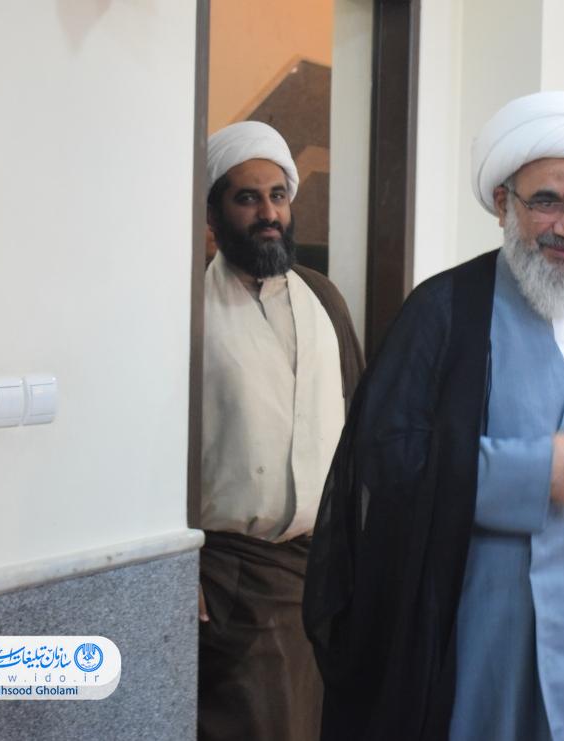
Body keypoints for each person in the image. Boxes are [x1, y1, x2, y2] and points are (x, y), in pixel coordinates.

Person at [303, 91, 564, 741]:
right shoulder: (445, 311)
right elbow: (387, 455)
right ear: (502, 203)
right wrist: (531, 473)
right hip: (497, 631)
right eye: (546, 201)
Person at [198, 120, 363, 741]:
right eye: (247, 198)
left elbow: (359, 427)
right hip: (231, 573)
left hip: (319, 567)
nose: (268, 214)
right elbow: (153, 449)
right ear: (214, 214)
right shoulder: (189, 304)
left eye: (278, 196)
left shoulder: (323, 297)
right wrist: (178, 569)